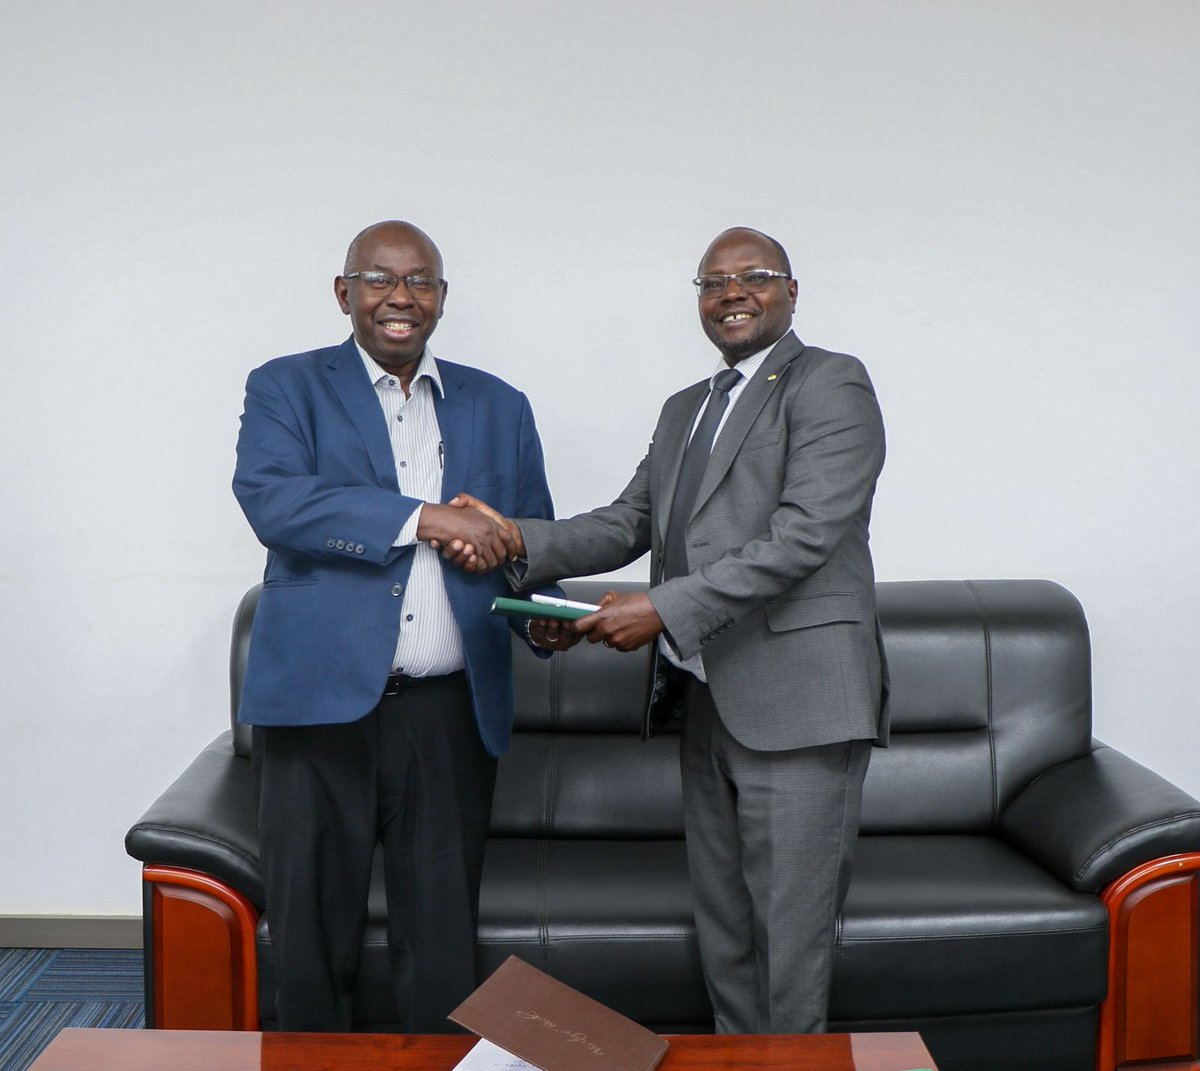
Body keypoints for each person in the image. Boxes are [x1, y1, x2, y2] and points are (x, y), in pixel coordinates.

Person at [450, 227, 887, 1034]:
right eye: (713, 282)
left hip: (799, 705)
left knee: (788, 944)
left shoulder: (830, 383)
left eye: (754, 276)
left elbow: (804, 536)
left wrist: (663, 609)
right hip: (705, 697)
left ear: (793, 290)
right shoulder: (687, 407)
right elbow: (629, 522)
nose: (732, 293)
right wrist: (515, 536)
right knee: (725, 930)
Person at [232, 220, 568, 1032]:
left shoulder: (500, 404)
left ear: (442, 300)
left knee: (442, 941)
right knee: (312, 936)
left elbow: (527, 540)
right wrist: (424, 518)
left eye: (419, 281)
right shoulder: (286, 387)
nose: (400, 297)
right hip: (317, 705)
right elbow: (274, 501)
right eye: (379, 279)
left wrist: (543, 621)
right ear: (344, 293)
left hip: (447, 712)